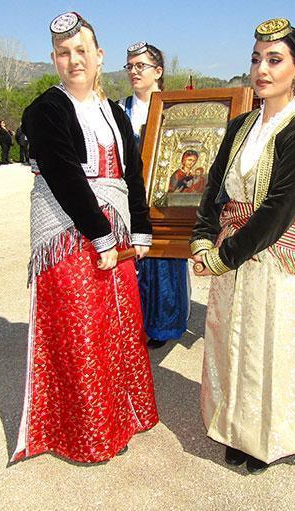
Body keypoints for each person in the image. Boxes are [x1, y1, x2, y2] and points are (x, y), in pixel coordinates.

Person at [12, 12, 158, 464]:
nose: (73, 60)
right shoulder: (45, 110)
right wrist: (100, 236)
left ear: (99, 56)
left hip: (115, 233)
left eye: (81, 51)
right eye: (63, 53)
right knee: (83, 333)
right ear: (53, 59)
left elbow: (132, 173)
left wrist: (141, 228)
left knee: (120, 326)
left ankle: (123, 418)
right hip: (69, 233)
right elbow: (64, 175)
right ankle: (87, 435)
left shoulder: (114, 112)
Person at [191, 18, 295, 475]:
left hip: (277, 262)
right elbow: (215, 188)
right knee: (229, 343)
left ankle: (267, 436)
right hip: (232, 250)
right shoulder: (240, 126)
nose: (262, 69)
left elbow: (277, 212)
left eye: (275, 60)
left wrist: (223, 257)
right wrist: (202, 236)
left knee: (265, 347)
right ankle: (233, 427)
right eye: (256, 59)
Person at [119, 41, 191, 349]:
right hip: (129, 199)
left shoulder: (175, 109)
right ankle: (132, 323)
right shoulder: (118, 109)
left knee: (164, 264)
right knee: (132, 263)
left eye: (141, 66)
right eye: (130, 66)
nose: (134, 71)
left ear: (158, 71)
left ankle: (162, 326)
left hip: (165, 199)